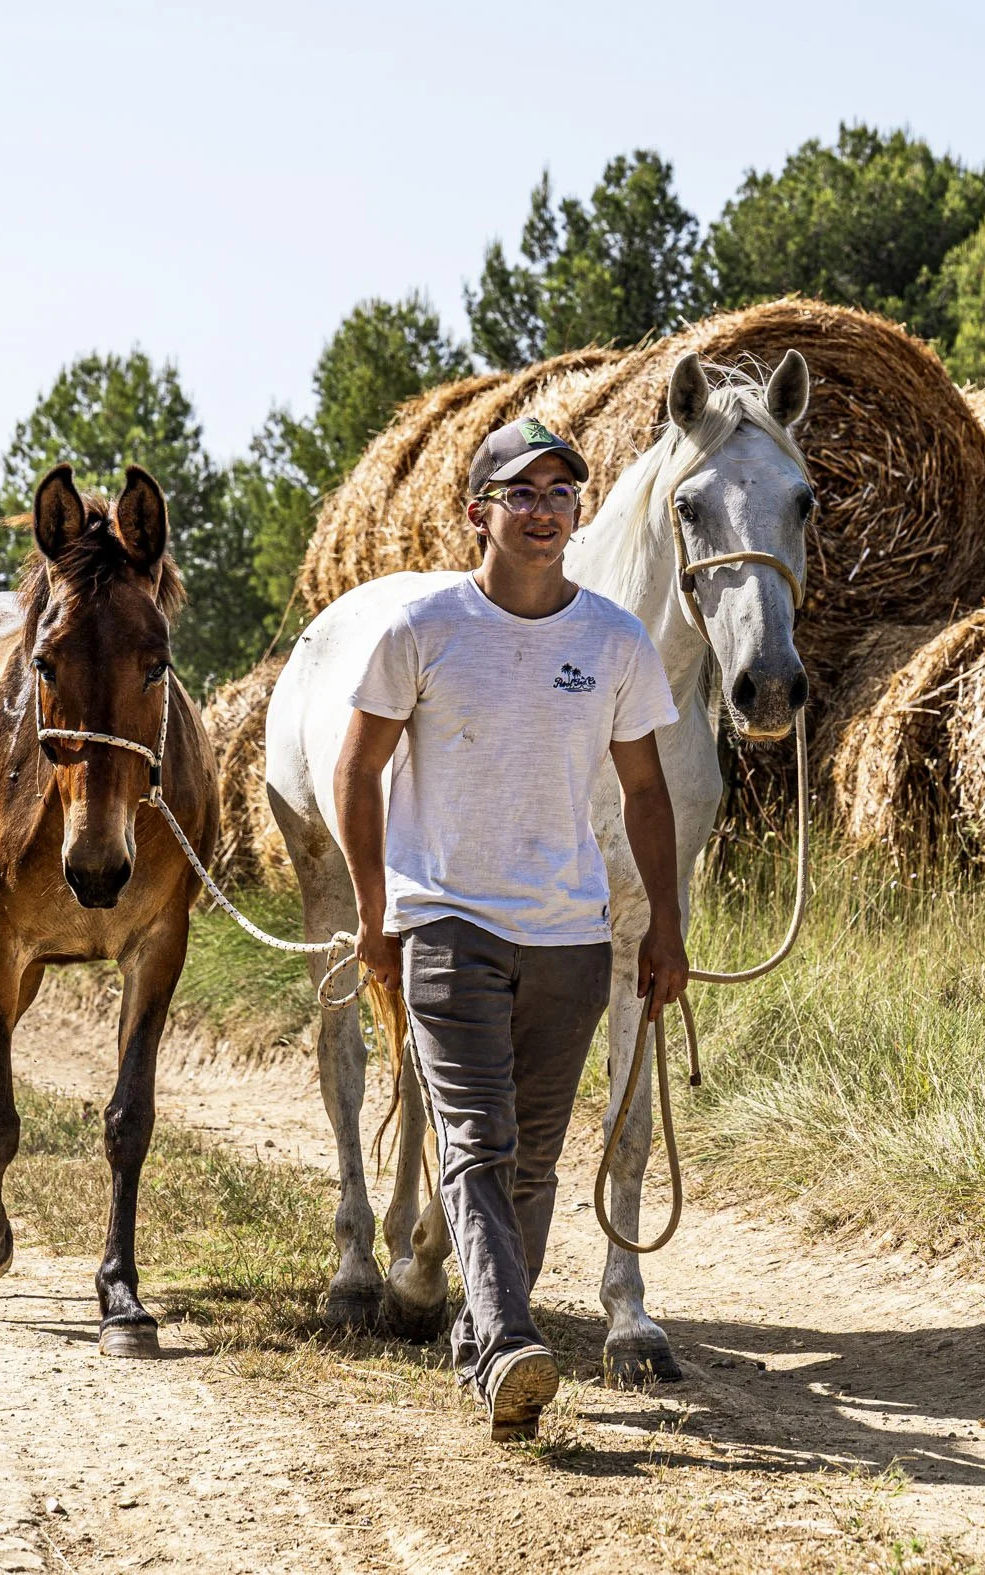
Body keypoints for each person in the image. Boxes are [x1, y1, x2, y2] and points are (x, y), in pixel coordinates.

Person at [335, 416, 689, 1441]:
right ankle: (506, 1344)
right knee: (480, 1144)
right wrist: (376, 911)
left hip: (571, 937)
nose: (542, 512)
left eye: (559, 495)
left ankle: (490, 1345)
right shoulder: (424, 631)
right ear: (476, 512)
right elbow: (358, 773)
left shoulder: (614, 640)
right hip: (450, 926)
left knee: (533, 1157)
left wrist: (662, 928)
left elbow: (646, 794)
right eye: (521, 493)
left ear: (579, 512)